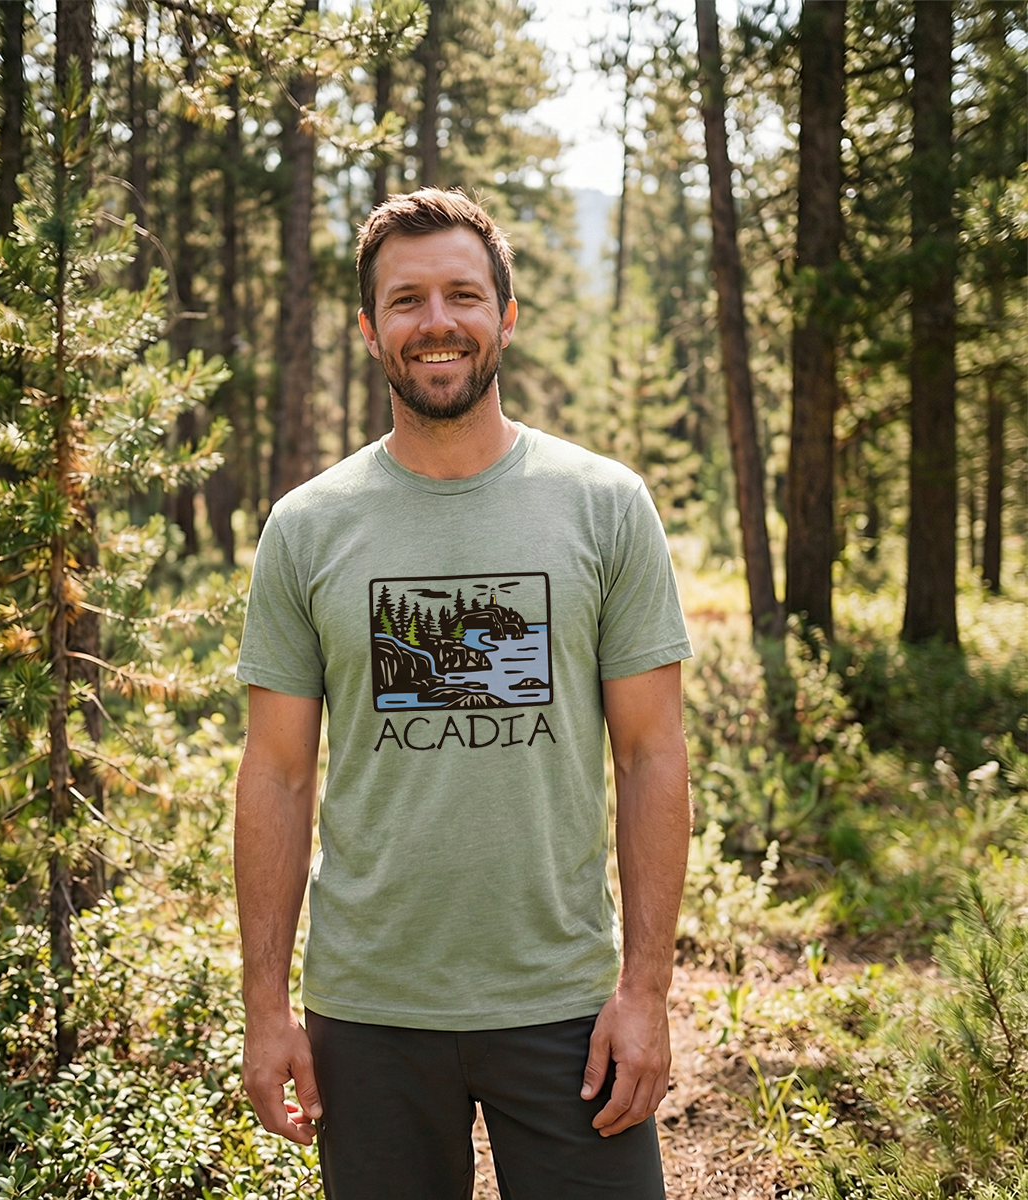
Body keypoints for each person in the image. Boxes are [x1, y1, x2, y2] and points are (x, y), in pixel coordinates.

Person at [234, 188, 692, 1200]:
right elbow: (275, 771)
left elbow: (652, 753)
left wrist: (645, 991)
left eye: (462, 295)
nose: (436, 322)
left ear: (505, 316)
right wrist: (268, 1011)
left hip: (565, 1006)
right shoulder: (308, 527)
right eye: (405, 301)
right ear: (369, 329)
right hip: (371, 1009)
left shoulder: (603, 505)